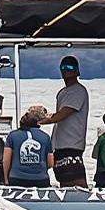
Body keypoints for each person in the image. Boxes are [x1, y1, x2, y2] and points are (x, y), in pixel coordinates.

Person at [39, 54, 89, 187]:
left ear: (77, 71)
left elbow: (62, 114)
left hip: (72, 146)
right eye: (63, 67)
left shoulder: (78, 91)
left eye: (70, 67)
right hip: (59, 146)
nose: (66, 70)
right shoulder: (63, 92)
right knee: (64, 181)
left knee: (78, 183)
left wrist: (39, 120)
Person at [2, 105, 54, 187]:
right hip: (40, 180)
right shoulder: (45, 137)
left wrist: (6, 179)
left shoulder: (12, 135)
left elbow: (6, 160)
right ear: (39, 122)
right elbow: (50, 163)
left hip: (17, 179)